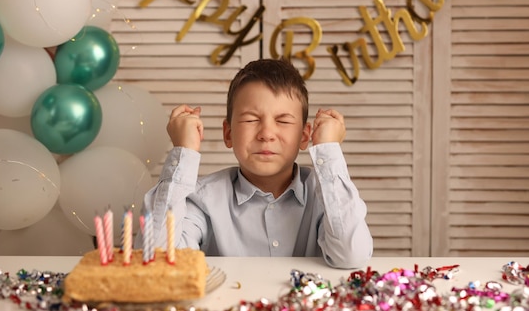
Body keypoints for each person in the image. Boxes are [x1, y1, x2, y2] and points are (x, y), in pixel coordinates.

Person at [143, 58, 373, 269]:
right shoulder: (202, 199)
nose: (267, 134)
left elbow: (351, 255)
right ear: (228, 133)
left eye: (283, 120)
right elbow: (157, 259)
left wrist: (328, 151)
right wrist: (184, 152)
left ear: (305, 136)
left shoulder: (325, 193)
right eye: (251, 119)